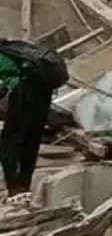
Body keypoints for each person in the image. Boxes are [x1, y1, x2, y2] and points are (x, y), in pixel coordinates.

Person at [0, 40, 67, 197]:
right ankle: (24, 185)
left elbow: (7, 85)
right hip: (42, 94)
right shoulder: (18, 49)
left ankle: (14, 189)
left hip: (25, 93)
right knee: (32, 139)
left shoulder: (4, 57)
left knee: (8, 142)